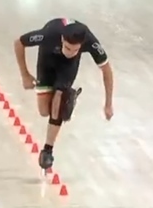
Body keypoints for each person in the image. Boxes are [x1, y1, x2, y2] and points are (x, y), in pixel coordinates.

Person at [14, 18, 114, 170]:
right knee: (44, 111)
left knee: (58, 102)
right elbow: (19, 43)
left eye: (75, 50)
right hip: (48, 60)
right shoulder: (48, 34)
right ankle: (66, 98)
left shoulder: (89, 41)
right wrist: (25, 75)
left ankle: (48, 150)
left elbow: (106, 70)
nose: (70, 53)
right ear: (62, 39)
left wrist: (108, 104)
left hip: (68, 67)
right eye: (67, 48)